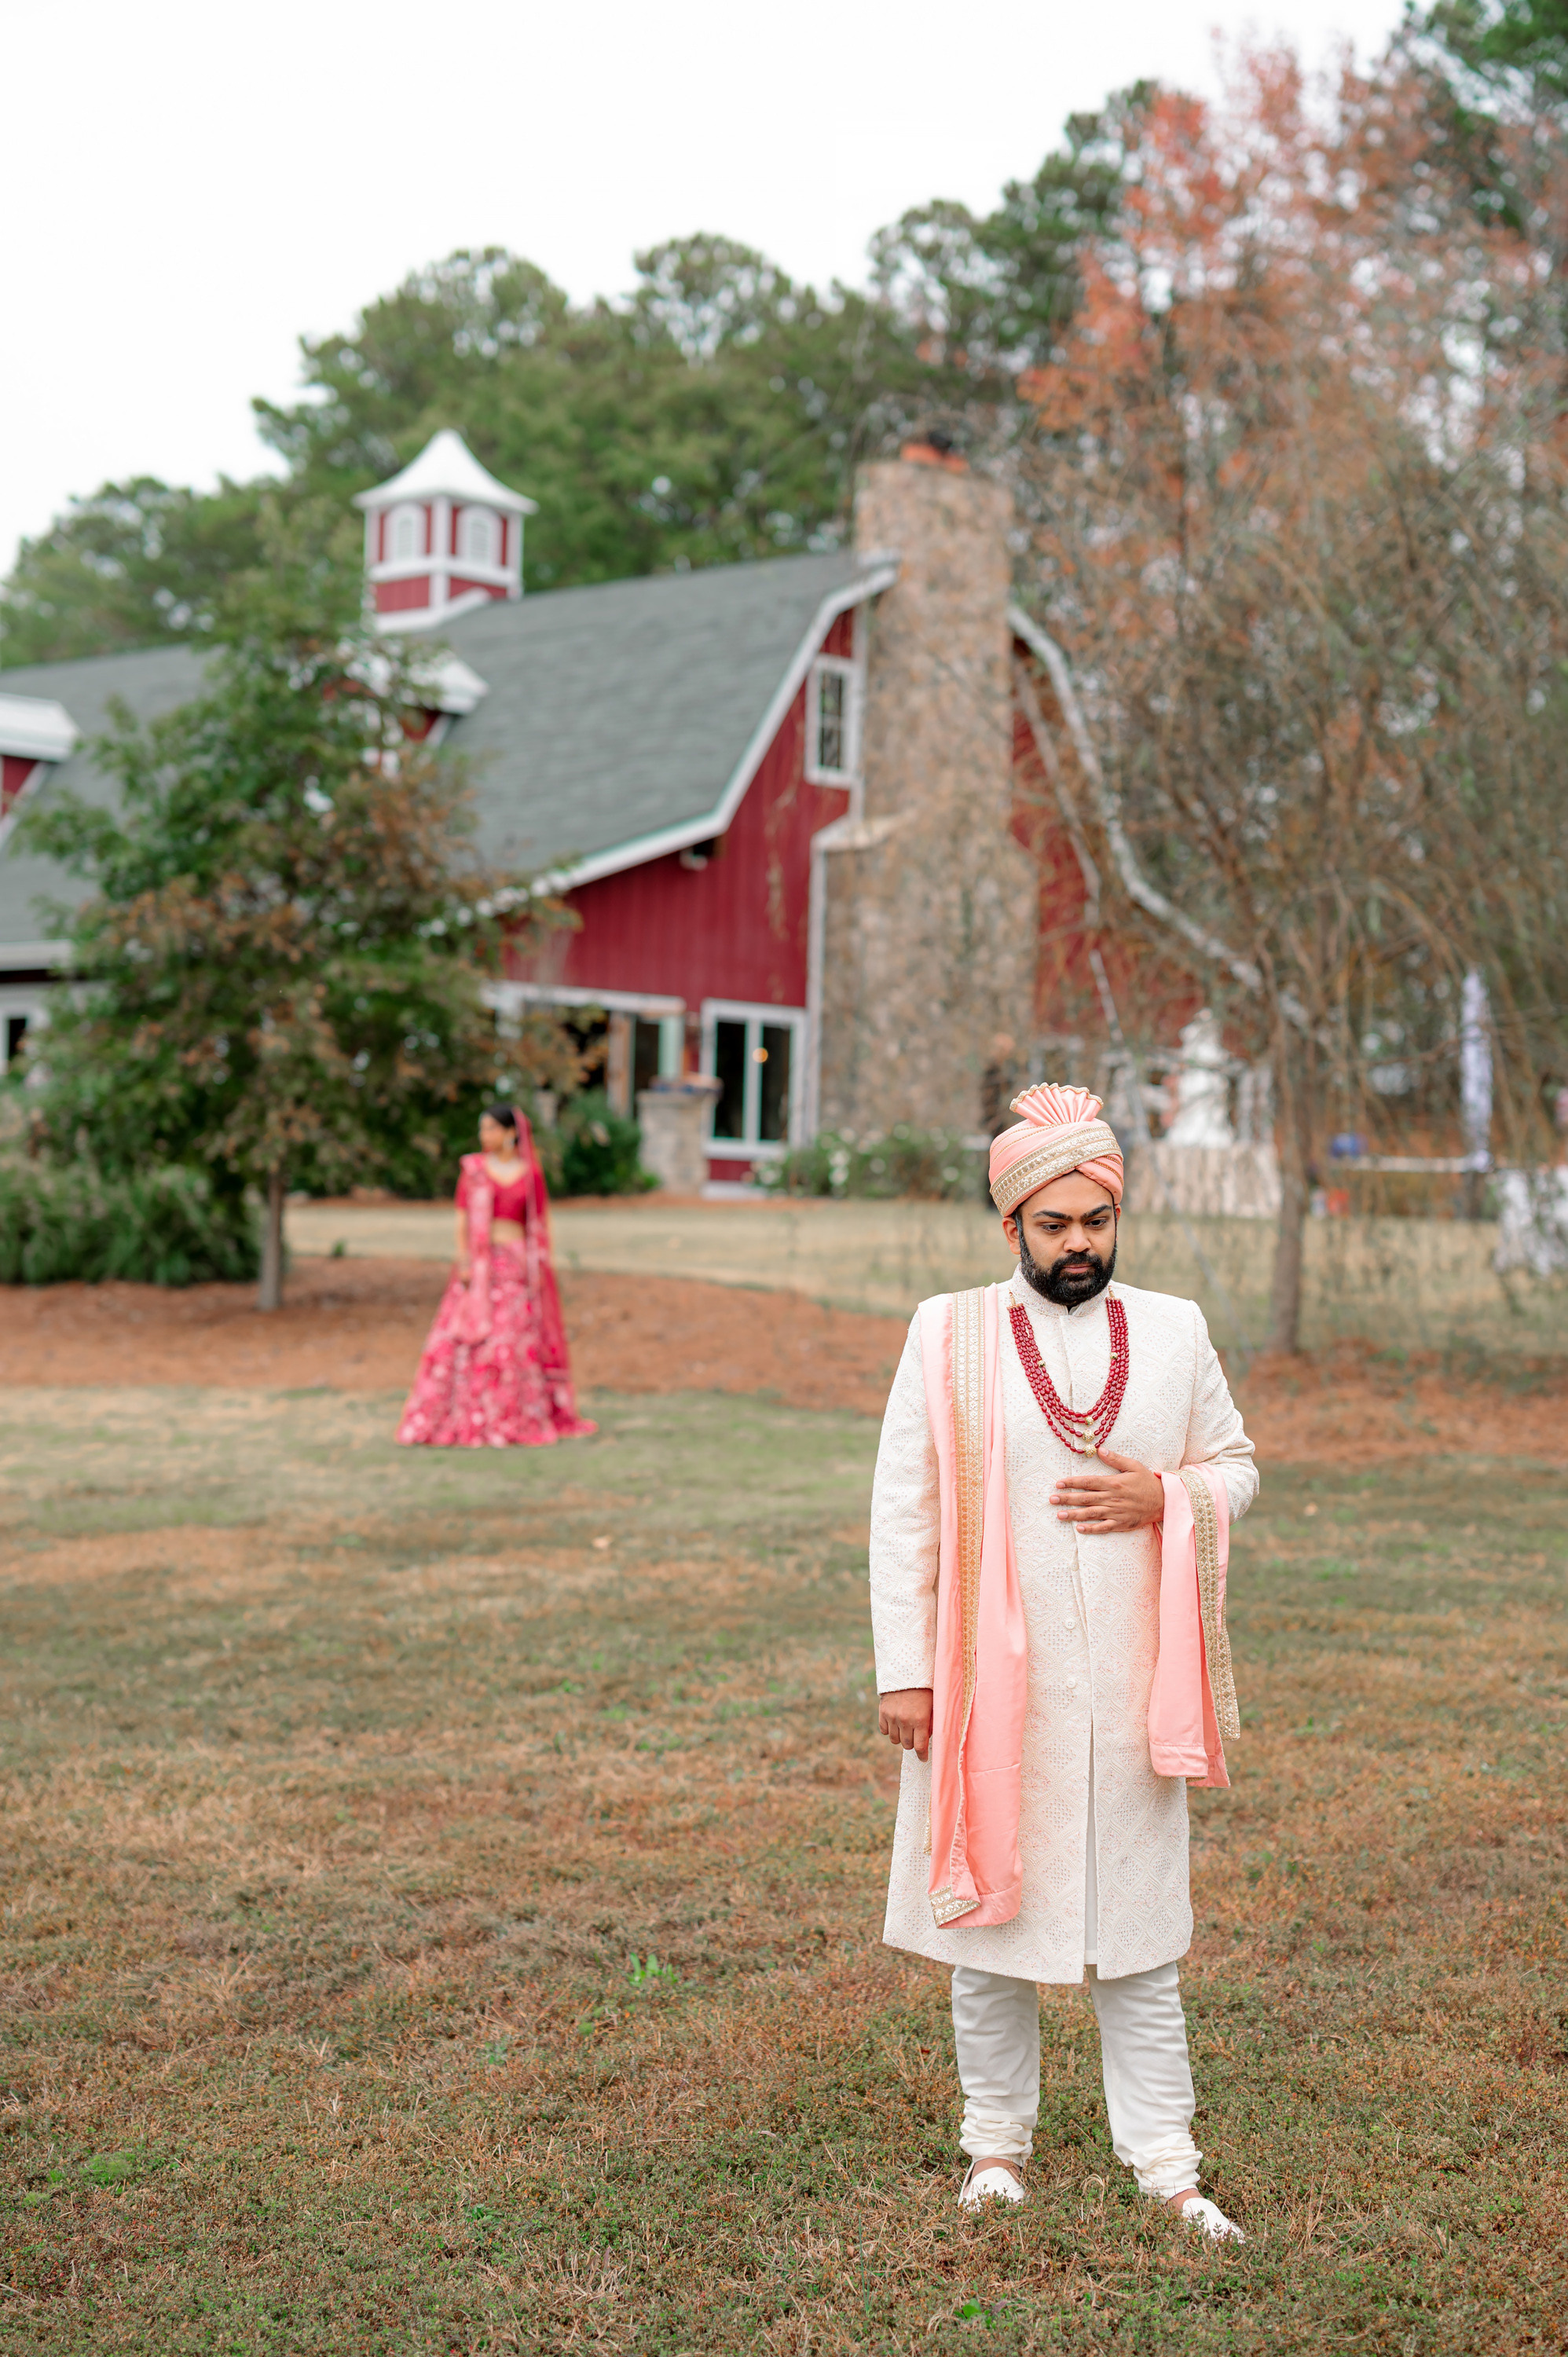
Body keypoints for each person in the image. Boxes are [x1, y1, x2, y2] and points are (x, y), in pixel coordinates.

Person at [869, 1082, 1256, 2238]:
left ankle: (1169, 2168)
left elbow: (1233, 1466)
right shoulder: (950, 1331)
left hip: (1136, 1688)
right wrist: (907, 1668)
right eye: (1055, 1225)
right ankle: (995, 2148)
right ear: (1012, 1228)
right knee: (990, 1932)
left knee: (1140, 1941)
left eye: (1097, 1221)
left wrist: (1163, 1493)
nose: (1079, 1243)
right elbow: (906, 1509)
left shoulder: (1177, 1329)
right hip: (993, 1693)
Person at [397, 1104, 595, 1449]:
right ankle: (467, 1414)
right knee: (468, 1339)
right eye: (482, 1129)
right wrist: (464, 1262)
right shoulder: (473, 1170)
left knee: (512, 1343)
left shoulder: (530, 1174)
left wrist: (537, 1267)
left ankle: (511, 1413)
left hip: (516, 1266)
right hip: (480, 1266)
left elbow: (538, 1224)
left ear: (510, 1132)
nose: (484, 1136)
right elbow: (461, 1219)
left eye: (491, 1129)